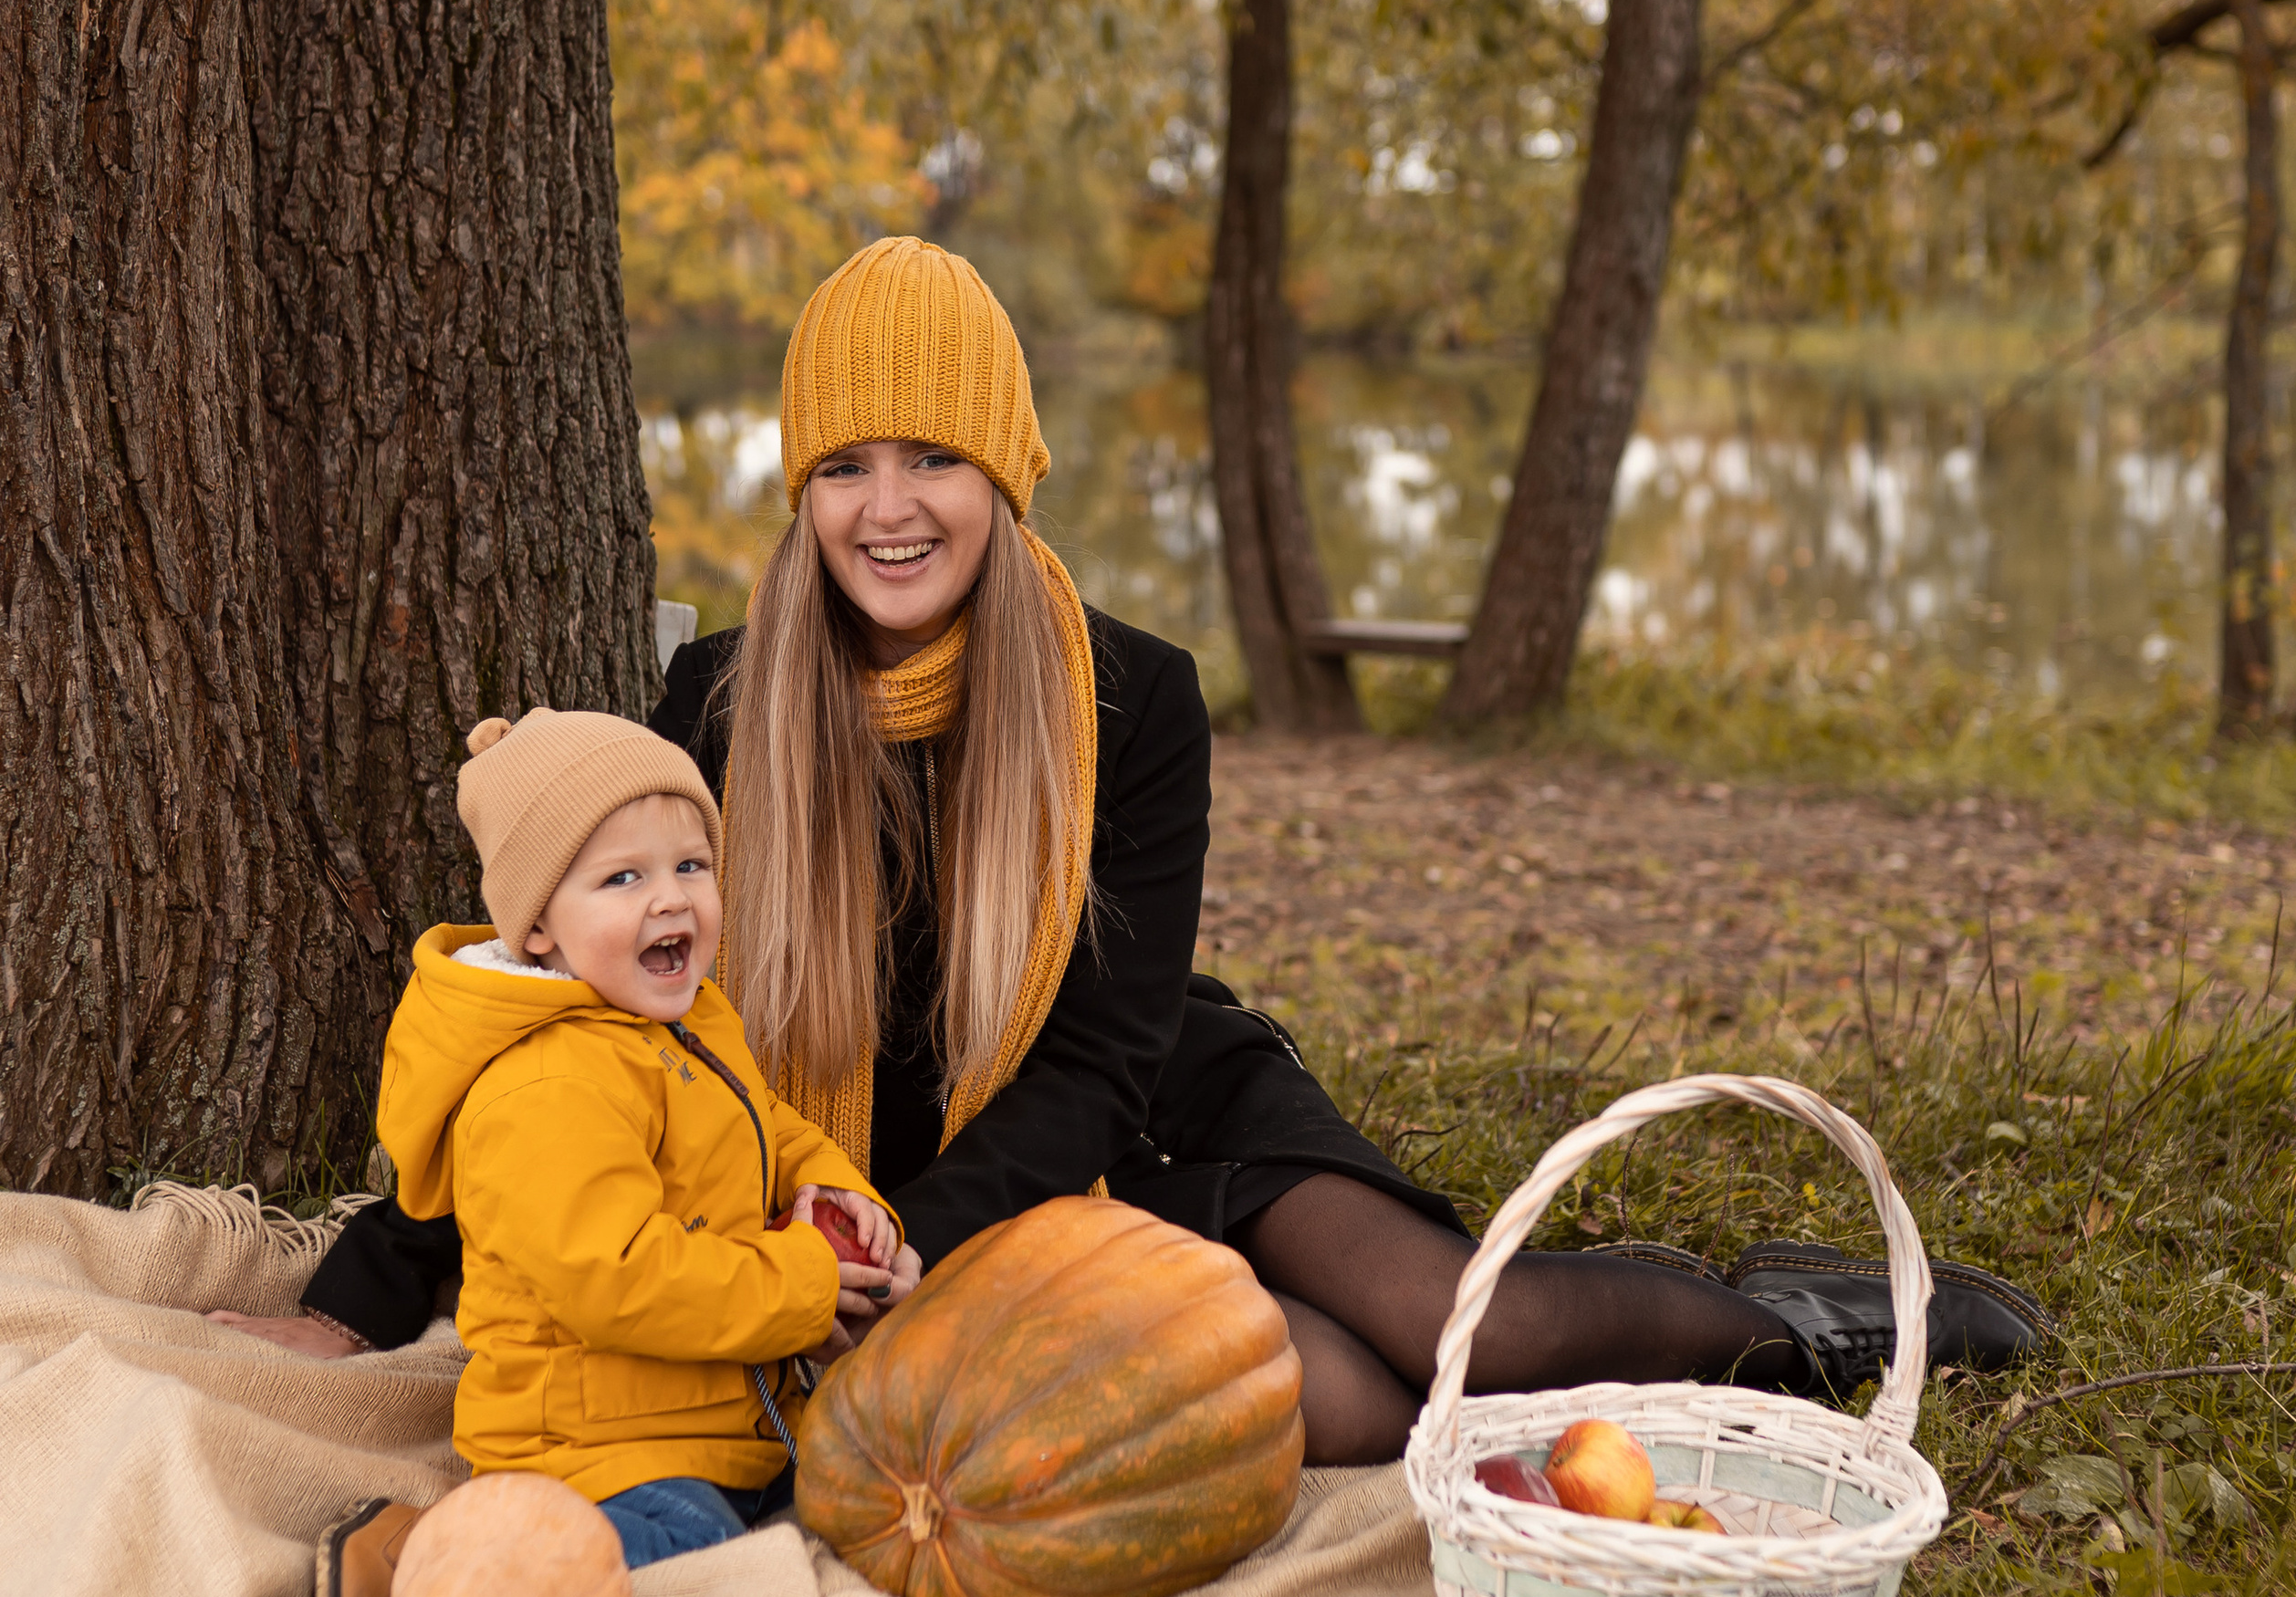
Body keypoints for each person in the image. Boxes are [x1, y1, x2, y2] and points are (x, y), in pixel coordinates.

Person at [263, 235, 2049, 1462]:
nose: (890, 508)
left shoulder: (1132, 695)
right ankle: (1568, 1399)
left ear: (1005, 466)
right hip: (897, 1188)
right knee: (1350, 1408)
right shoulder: (719, 699)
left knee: (1458, 1325)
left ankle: (1784, 1330)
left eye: (933, 457)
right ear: (801, 492)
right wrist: (364, 1297)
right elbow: (568, 1013)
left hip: (1130, 1109)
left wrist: (892, 1252)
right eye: (846, 466)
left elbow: (1100, 1057)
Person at [355, 705, 906, 1578]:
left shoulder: (687, 1020)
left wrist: (835, 1191)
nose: (671, 897)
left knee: (863, 1510)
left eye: (691, 865)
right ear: (539, 927)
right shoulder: (545, 1083)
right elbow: (618, 1275)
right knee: (693, 1560)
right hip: (595, 1453)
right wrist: (804, 1285)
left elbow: (766, 1124)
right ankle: (427, 1565)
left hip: (729, 1428)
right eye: (622, 878)